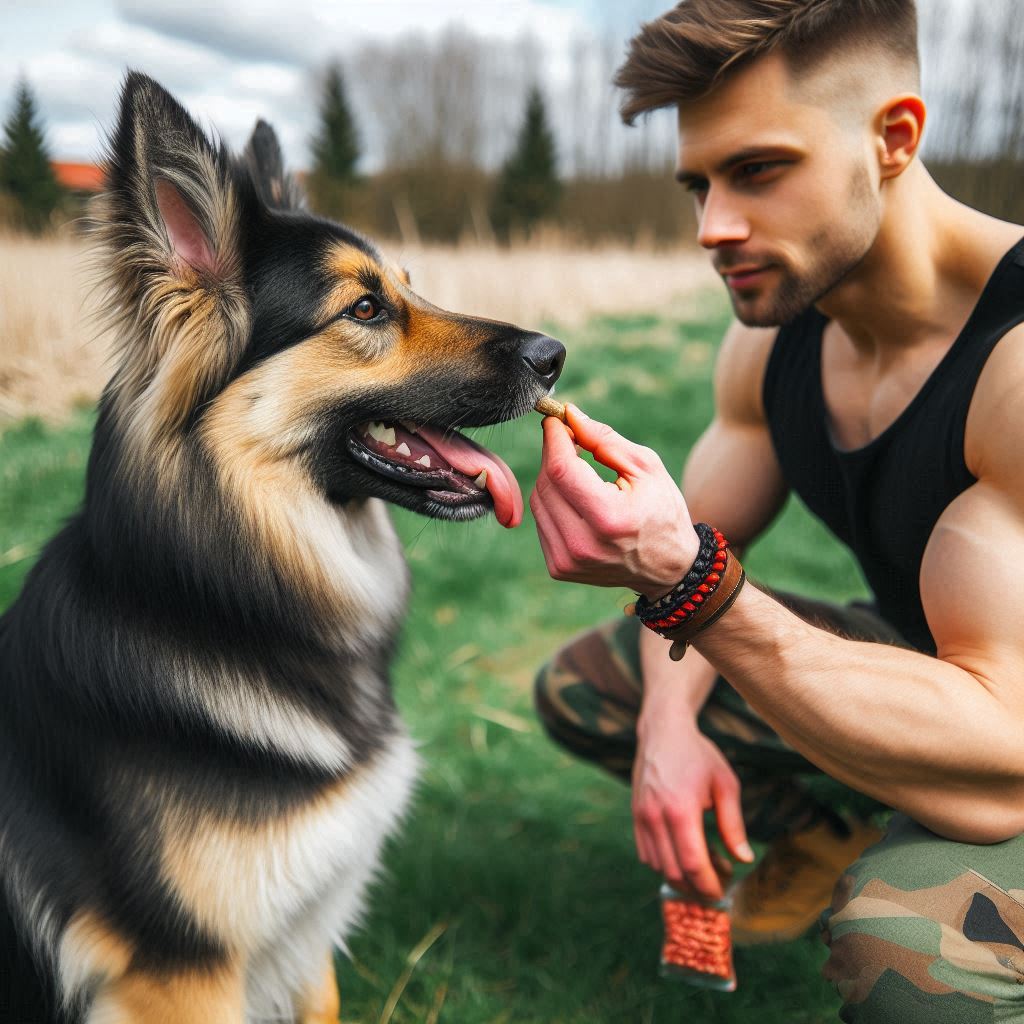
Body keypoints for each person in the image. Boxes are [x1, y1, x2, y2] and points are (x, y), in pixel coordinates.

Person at [530, 1, 1024, 1019]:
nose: (713, 226)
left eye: (757, 171)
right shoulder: (774, 335)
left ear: (893, 139)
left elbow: (1004, 764)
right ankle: (820, 832)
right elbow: (701, 551)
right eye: (698, 183)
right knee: (599, 686)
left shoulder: (1012, 367)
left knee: (910, 962)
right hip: (966, 668)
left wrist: (698, 593)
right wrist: (668, 734)